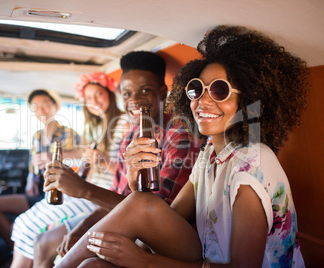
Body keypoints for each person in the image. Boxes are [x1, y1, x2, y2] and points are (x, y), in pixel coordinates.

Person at [55, 25, 307, 267]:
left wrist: (145, 262)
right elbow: (161, 216)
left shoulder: (253, 163)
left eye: (220, 90)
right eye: (196, 89)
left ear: (248, 99)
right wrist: (136, 186)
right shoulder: (210, 153)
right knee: (92, 265)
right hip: (205, 255)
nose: (202, 101)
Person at [43, 51, 201, 265]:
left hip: (170, 241)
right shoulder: (131, 134)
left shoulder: (180, 132)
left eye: (144, 90)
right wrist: (82, 229)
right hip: (138, 233)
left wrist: (84, 190)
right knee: (88, 263)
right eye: (127, 94)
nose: (134, 100)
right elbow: (120, 200)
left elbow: (154, 211)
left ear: (162, 92)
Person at [9, 73, 128, 268]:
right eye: (89, 98)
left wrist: (102, 161)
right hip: (87, 185)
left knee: (32, 228)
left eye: (99, 94)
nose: (94, 101)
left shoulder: (123, 123)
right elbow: (88, 165)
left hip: (104, 193)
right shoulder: (97, 127)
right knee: (22, 222)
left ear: (110, 93)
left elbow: (127, 173)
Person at [0, 89, 80, 250]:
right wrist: (29, 179)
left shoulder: (69, 133)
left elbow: (82, 156)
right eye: (36, 107)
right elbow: (34, 162)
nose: (41, 110)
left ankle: (21, 250)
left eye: (46, 105)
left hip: (59, 193)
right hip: (40, 189)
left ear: (55, 106)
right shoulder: (37, 136)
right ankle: (15, 249)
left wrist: (53, 156)